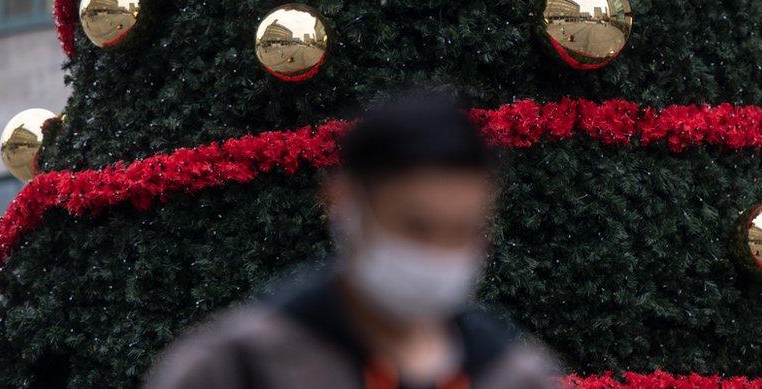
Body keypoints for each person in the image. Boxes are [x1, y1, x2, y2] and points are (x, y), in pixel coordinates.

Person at [145, 94, 558, 389]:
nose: (437, 252)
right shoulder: (237, 368)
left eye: (462, 231)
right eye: (415, 227)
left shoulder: (514, 373)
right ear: (342, 201)